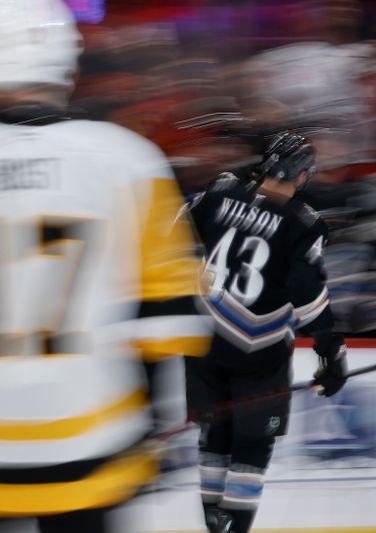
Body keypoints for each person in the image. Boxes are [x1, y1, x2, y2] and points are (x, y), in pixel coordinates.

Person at [0, 0, 211, 531]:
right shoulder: (130, 158)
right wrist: (158, 419)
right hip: (93, 432)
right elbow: (166, 313)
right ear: (69, 64)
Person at [184, 132, 348, 533]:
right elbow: (305, 292)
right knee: (252, 448)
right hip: (260, 347)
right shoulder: (304, 222)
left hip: (204, 339)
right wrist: (331, 351)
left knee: (215, 438)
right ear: (303, 174)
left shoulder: (220, 190)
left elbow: (175, 238)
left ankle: (214, 527)